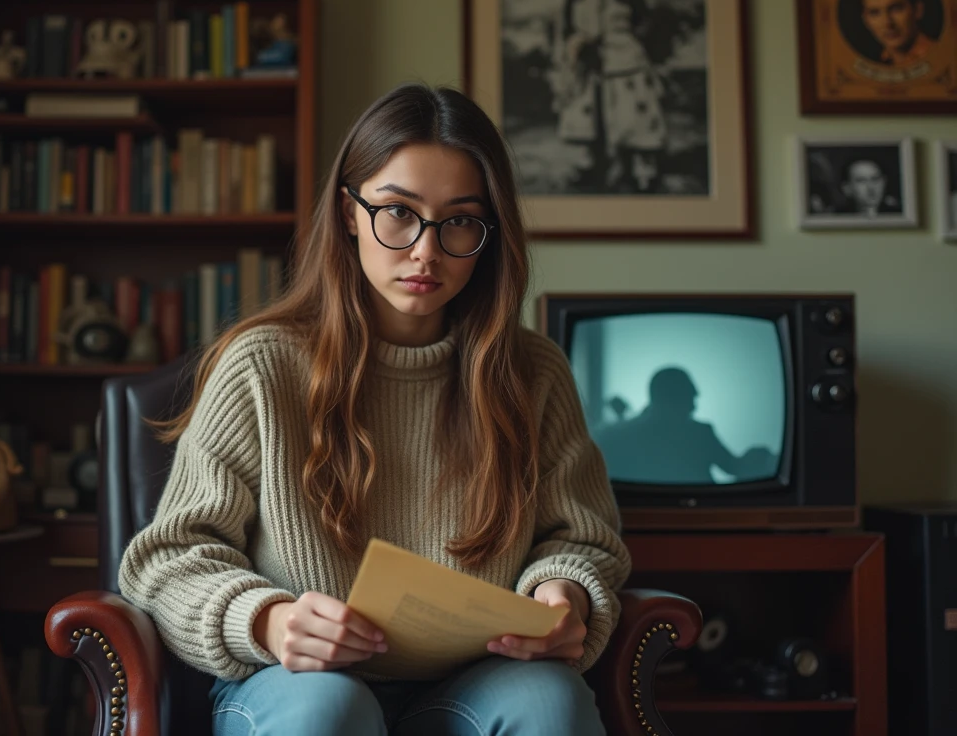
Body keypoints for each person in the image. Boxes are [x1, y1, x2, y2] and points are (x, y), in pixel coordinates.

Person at [118, 83, 630, 735]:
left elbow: (580, 538)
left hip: (474, 681)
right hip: (299, 684)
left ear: (490, 231)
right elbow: (168, 556)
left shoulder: (533, 374)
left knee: (550, 703)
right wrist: (267, 621)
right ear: (349, 212)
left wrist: (566, 594)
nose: (426, 250)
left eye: (460, 222)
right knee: (331, 710)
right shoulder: (263, 365)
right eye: (398, 212)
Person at [551, 0, 668, 193]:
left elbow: (644, 23)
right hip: (588, 61)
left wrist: (628, 42)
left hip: (625, 61)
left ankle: (639, 171)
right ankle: (593, 169)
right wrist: (578, 47)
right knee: (589, 117)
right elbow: (568, 25)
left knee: (631, 114)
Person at [595, 367, 742, 485]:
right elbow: (734, 468)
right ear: (674, 397)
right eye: (690, 396)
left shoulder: (613, 434)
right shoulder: (700, 433)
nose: (694, 404)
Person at [854, 0, 935, 68]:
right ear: (866, 20)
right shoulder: (877, 62)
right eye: (874, 13)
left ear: (918, 10)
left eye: (896, 9)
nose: (887, 23)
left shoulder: (939, 56)